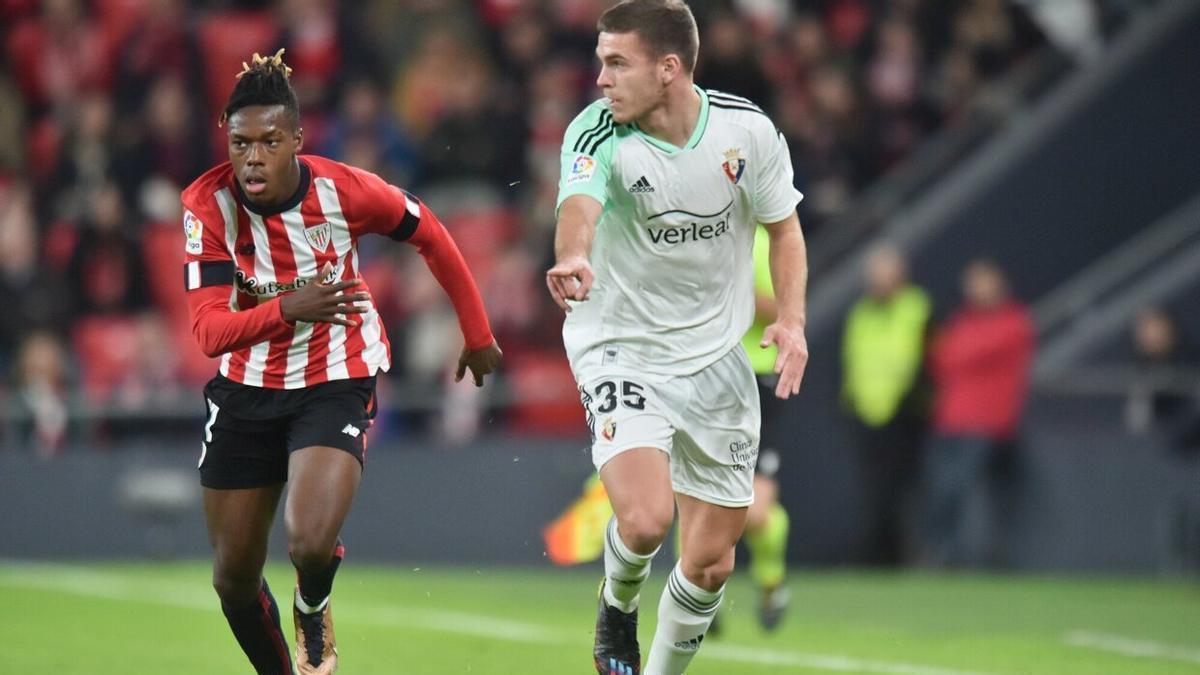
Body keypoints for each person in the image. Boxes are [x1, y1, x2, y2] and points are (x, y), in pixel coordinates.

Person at [182, 50, 501, 675]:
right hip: (247, 387)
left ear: (297, 140)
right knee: (233, 580)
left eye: (269, 141)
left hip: (336, 372)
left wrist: (476, 329)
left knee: (308, 539)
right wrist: (289, 309)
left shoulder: (344, 190)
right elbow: (209, 333)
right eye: (240, 141)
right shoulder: (206, 205)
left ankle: (313, 604)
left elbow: (429, 231)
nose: (252, 157)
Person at [545, 2, 809, 673]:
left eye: (616, 62)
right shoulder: (595, 132)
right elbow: (578, 208)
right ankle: (618, 602)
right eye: (600, 60)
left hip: (718, 360)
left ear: (668, 69)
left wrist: (792, 319)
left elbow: (784, 228)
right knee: (643, 519)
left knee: (713, 562)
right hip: (620, 344)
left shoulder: (746, 133)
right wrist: (574, 255)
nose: (600, 78)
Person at [919, 258, 1033, 568]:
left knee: (960, 489)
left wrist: (953, 350)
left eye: (981, 281)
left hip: (986, 423)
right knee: (940, 490)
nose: (974, 288)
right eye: (971, 281)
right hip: (948, 421)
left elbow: (957, 355)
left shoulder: (1013, 321)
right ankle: (938, 553)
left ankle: (961, 557)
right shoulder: (962, 320)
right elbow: (941, 360)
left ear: (999, 283)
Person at [840, 243, 930, 566]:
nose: (878, 282)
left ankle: (904, 555)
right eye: (874, 276)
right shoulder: (860, 312)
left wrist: (915, 400)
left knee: (903, 491)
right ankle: (876, 555)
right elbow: (852, 359)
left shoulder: (918, 308)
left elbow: (927, 358)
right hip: (865, 412)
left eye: (884, 274)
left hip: (905, 415)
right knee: (872, 490)